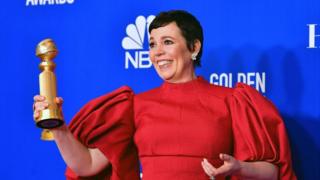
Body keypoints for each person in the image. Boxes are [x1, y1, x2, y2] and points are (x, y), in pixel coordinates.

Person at [33, 10, 296, 180]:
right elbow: (87, 165)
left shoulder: (232, 101)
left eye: (167, 42)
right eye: (152, 44)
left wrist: (240, 167)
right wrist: (58, 128)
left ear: (193, 47)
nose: (157, 52)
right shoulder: (134, 105)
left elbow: (273, 172)